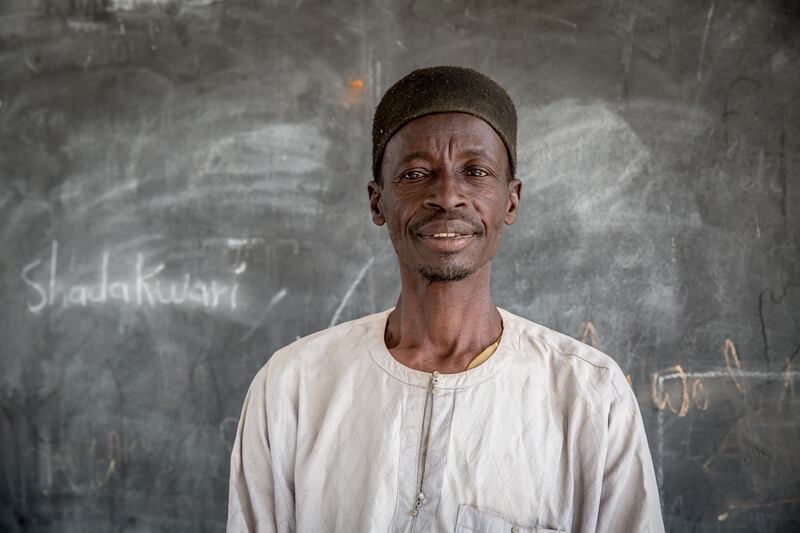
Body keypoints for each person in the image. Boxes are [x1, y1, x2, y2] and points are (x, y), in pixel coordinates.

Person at [227, 66, 665, 533]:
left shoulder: (590, 396)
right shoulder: (293, 388)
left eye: (475, 172)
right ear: (378, 203)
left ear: (510, 202)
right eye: (416, 174)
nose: (448, 196)